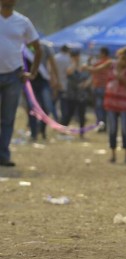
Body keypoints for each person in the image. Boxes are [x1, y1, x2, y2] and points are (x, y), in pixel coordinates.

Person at [0, 0, 40, 167]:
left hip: (14, 76)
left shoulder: (23, 22)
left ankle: (3, 156)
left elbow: (37, 48)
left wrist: (33, 72)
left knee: (8, 118)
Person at [104, 47, 126, 164]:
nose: (124, 62)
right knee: (112, 129)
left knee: (125, 130)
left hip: (124, 105)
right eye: (123, 58)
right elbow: (97, 69)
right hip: (111, 103)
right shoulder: (112, 66)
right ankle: (113, 155)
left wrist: (123, 80)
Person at [23, 40, 57, 141]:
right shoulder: (23, 48)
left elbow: (52, 63)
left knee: (46, 107)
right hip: (29, 83)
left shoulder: (45, 47)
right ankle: (34, 133)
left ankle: (42, 131)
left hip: (43, 81)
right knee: (31, 108)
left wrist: (55, 79)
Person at [62, 49, 91, 138]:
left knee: (82, 114)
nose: (76, 58)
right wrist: (75, 64)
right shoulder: (70, 66)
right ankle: (63, 129)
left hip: (81, 94)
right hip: (71, 94)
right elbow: (69, 72)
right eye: (74, 56)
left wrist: (86, 84)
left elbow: (89, 77)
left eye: (77, 56)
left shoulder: (84, 66)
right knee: (69, 113)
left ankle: (82, 132)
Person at [85, 47, 112, 132]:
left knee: (99, 108)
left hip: (99, 88)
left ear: (103, 54)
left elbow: (92, 70)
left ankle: (100, 125)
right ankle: (104, 125)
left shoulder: (101, 63)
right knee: (104, 108)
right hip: (108, 88)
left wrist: (87, 63)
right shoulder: (111, 63)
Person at [53, 44, 70, 121]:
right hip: (64, 84)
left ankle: (55, 118)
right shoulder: (68, 59)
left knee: (53, 103)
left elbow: (51, 71)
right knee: (64, 104)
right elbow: (69, 72)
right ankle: (63, 120)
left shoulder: (55, 57)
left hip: (55, 83)